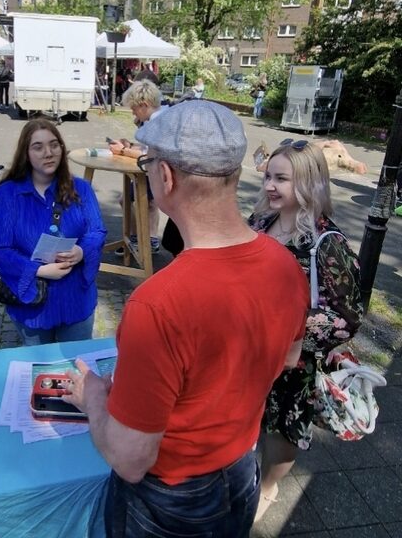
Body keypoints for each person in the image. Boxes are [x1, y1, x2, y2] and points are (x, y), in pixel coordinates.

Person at [63, 100, 309, 538]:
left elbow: (131, 460)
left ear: (166, 176)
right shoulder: (286, 265)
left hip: (172, 501)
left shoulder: (157, 305)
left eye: (148, 162)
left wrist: (94, 397)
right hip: (240, 473)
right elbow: (289, 358)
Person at [248, 139, 363, 521]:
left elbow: (350, 316)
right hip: (251, 353)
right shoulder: (259, 222)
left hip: (295, 363)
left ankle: (267, 488)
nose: (269, 186)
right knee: (252, 418)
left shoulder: (327, 243)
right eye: (268, 176)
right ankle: (249, 476)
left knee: (283, 429)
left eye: (282, 179)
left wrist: (294, 339)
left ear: (310, 182)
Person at [0, 118, 106, 345]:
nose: (48, 153)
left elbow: (97, 231)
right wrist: (38, 270)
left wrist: (81, 251)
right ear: (26, 153)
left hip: (75, 300)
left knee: (76, 367)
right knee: (40, 371)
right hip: (32, 307)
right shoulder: (8, 194)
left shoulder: (81, 188)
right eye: (38, 147)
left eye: (54, 144)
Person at [108, 79, 165, 254]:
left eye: (134, 108)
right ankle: (143, 239)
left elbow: (151, 156)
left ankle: (143, 240)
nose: (133, 113)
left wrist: (124, 150)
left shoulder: (157, 122)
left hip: (154, 171)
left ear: (144, 105)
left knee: (145, 202)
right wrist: (131, 146)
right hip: (152, 171)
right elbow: (149, 149)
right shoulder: (158, 118)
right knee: (140, 202)